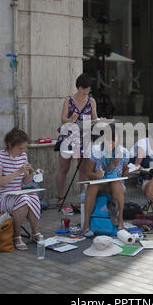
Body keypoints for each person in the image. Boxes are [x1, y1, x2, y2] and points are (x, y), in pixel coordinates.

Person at [0, 128, 42, 250]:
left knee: (32, 195)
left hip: (16, 196)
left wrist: (33, 174)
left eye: (24, 148)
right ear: (9, 145)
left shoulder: (23, 156)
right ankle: (17, 235)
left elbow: (24, 181)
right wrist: (18, 172)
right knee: (23, 199)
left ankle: (35, 232)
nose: (22, 151)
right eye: (19, 148)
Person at [55, 74, 98, 207]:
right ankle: (60, 197)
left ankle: (83, 198)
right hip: (69, 135)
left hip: (84, 136)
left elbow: (94, 118)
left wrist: (99, 121)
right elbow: (63, 119)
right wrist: (71, 119)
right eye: (84, 89)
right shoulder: (69, 99)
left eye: (88, 89)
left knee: (83, 169)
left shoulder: (91, 101)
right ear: (79, 88)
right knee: (64, 167)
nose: (86, 92)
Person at [81, 127, 130, 238]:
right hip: (99, 183)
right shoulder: (96, 151)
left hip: (114, 183)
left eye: (114, 140)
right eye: (108, 140)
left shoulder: (122, 152)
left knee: (116, 182)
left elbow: (125, 170)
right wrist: (96, 175)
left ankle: (120, 221)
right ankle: (86, 224)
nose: (111, 143)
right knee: (93, 185)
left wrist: (127, 172)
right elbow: (88, 173)